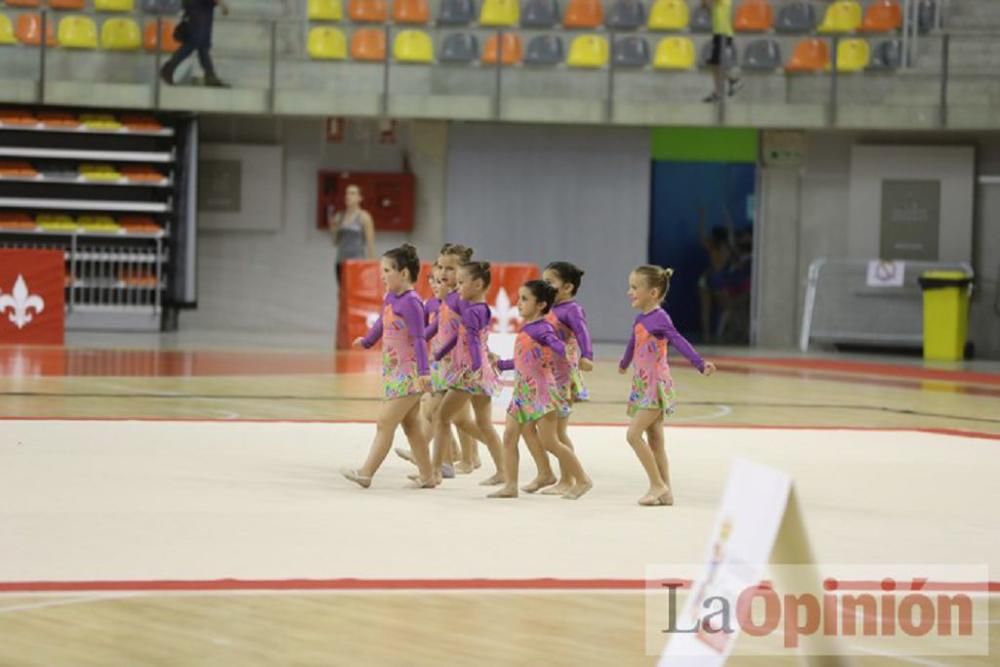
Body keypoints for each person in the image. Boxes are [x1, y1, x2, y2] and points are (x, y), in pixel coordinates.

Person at [619, 266, 716, 506]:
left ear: (653, 292)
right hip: (643, 383)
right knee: (655, 439)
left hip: (655, 385)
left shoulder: (659, 318)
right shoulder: (641, 318)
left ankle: (657, 484)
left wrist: (699, 363)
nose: (629, 292)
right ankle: (666, 491)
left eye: (634, 287)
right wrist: (624, 362)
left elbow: (678, 341)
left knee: (633, 435)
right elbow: (633, 342)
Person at [341, 244, 435, 489]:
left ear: (403, 273)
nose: (381, 276)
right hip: (395, 372)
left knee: (385, 422)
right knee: (412, 425)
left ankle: (366, 472)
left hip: (410, 374)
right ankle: (428, 476)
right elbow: (382, 323)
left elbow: (419, 339)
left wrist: (424, 373)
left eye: (386, 271)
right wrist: (368, 341)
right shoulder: (391, 298)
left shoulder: (413, 303)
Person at [488, 280, 592, 500]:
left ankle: (582, 479)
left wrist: (567, 351)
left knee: (550, 441)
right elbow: (523, 360)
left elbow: (554, 344)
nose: (519, 303)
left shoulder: (543, 328)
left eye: (525, 299)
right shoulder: (527, 328)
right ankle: (510, 485)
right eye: (519, 298)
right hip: (523, 391)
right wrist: (501, 364)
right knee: (509, 436)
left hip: (542, 391)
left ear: (541, 304)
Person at [515, 261, 594, 495]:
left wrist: (587, 356)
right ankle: (549, 474)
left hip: (561, 377)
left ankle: (570, 479)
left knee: (557, 434)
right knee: (534, 429)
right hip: (544, 374)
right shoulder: (548, 311)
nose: (544, 285)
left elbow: (582, 333)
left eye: (550, 282)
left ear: (567, 287)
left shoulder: (572, 310)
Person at [430, 261, 505, 487]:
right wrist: (441, 350)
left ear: (478, 284)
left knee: (442, 417)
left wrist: (472, 369)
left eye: (462, 283)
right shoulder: (479, 309)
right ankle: (505, 470)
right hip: (480, 370)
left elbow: (472, 341)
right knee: (484, 423)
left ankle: (434, 471)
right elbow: (461, 337)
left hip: (469, 372)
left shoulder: (473, 311)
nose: (458, 287)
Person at [159, 0, 231, 88]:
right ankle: (169, 67)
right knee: (195, 41)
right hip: (199, 6)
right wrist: (221, 4)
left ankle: (210, 75)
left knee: (202, 44)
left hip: (201, 6)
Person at [329, 184, 376, 286]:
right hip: (341, 261)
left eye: (352, 193)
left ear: (360, 198)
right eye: (347, 193)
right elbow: (335, 242)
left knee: (355, 291)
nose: (348, 196)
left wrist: (372, 265)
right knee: (342, 292)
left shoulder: (364, 217)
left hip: (357, 262)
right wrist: (333, 229)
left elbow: (370, 243)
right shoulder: (339, 216)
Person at [702, 0, 742, 103]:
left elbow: (707, 3)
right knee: (714, 64)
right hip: (718, 33)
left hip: (724, 34)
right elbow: (707, 7)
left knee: (718, 64)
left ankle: (731, 82)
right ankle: (720, 90)